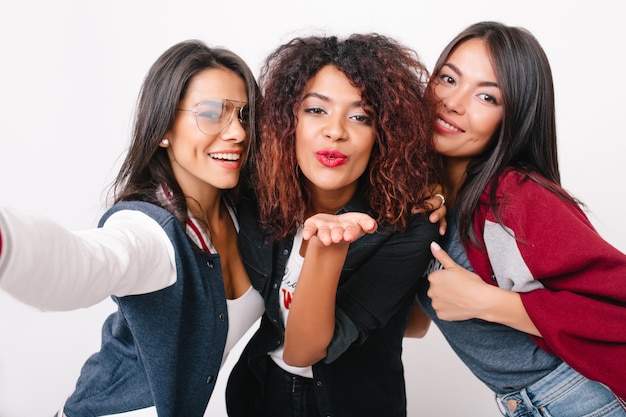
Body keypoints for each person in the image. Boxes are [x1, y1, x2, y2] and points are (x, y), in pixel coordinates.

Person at [0, 39, 265, 417]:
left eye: (244, 115)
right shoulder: (149, 230)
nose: (237, 132)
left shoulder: (245, 214)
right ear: (163, 129)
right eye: (211, 113)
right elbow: (82, 264)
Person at [407, 21, 626, 416]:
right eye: (448, 78)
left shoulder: (514, 197)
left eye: (487, 97)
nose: (454, 102)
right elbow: (413, 326)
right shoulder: (429, 197)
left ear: (515, 116)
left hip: (582, 399)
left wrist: (488, 302)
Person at [224, 33, 441, 417]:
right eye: (316, 110)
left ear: (384, 135)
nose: (336, 130)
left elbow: (304, 350)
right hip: (258, 393)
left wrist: (326, 246)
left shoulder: (409, 226)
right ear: (286, 119)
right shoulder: (256, 198)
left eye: (361, 117)